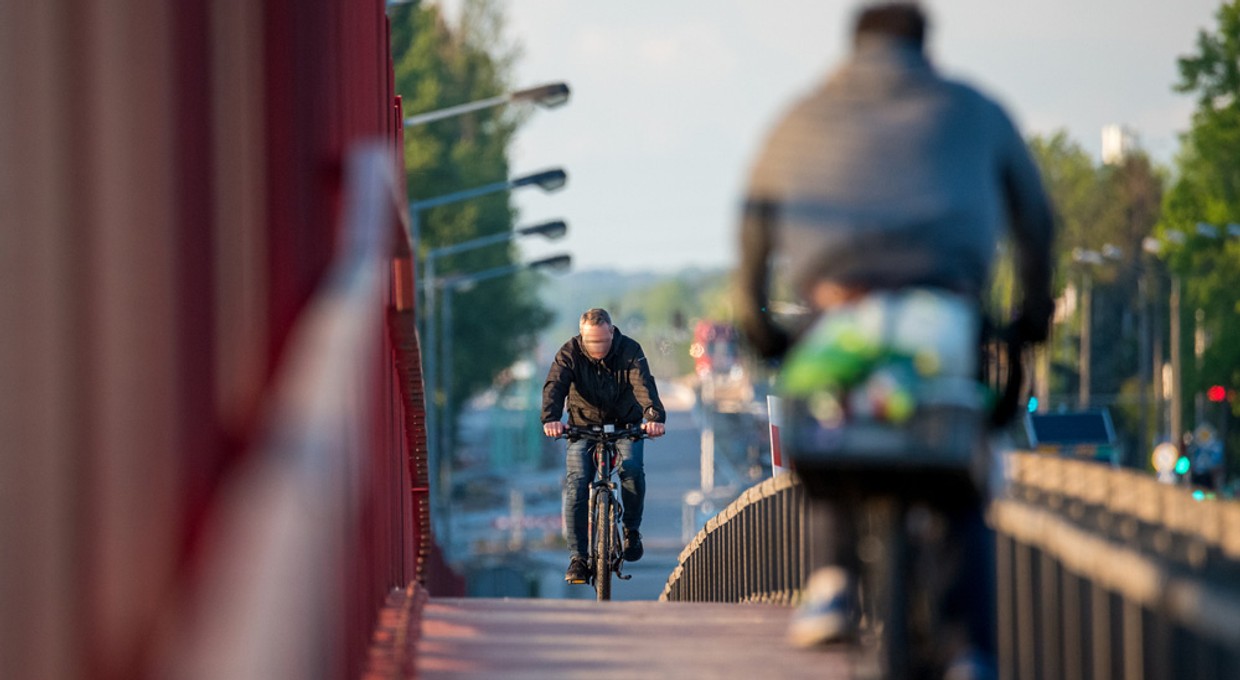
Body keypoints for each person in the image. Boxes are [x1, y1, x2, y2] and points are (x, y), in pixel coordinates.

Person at [734, 2, 1054, 675]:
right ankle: (968, 646)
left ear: (853, 47)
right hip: (945, 312)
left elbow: (755, 217)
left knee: (828, 433)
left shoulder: (803, 114)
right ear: (925, 46)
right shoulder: (972, 109)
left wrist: (759, 322)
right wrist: (1031, 315)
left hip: (837, 312)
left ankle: (830, 582)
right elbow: (1036, 217)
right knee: (960, 466)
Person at [542, 308, 667, 584]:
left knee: (632, 469)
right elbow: (555, 385)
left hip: (626, 425)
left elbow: (644, 385)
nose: (597, 347)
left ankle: (632, 531)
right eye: (591, 342)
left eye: (602, 341)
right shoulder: (569, 353)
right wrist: (551, 418)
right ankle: (578, 558)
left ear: (612, 331)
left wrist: (653, 417)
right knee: (577, 484)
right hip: (582, 427)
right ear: (581, 336)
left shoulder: (629, 350)